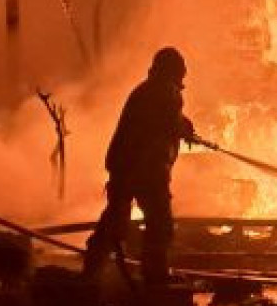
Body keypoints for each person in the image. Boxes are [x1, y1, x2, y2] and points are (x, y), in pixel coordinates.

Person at [83, 46, 196, 285]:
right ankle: (155, 277)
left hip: (125, 166)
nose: (182, 81)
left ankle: (91, 272)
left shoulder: (146, 90)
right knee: (160, 225)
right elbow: (167, 122)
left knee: (114, 221)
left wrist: (183, 124)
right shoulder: (166, 92)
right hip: (146, 171)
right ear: (174, 72)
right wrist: (183, 128)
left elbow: (164, 119)